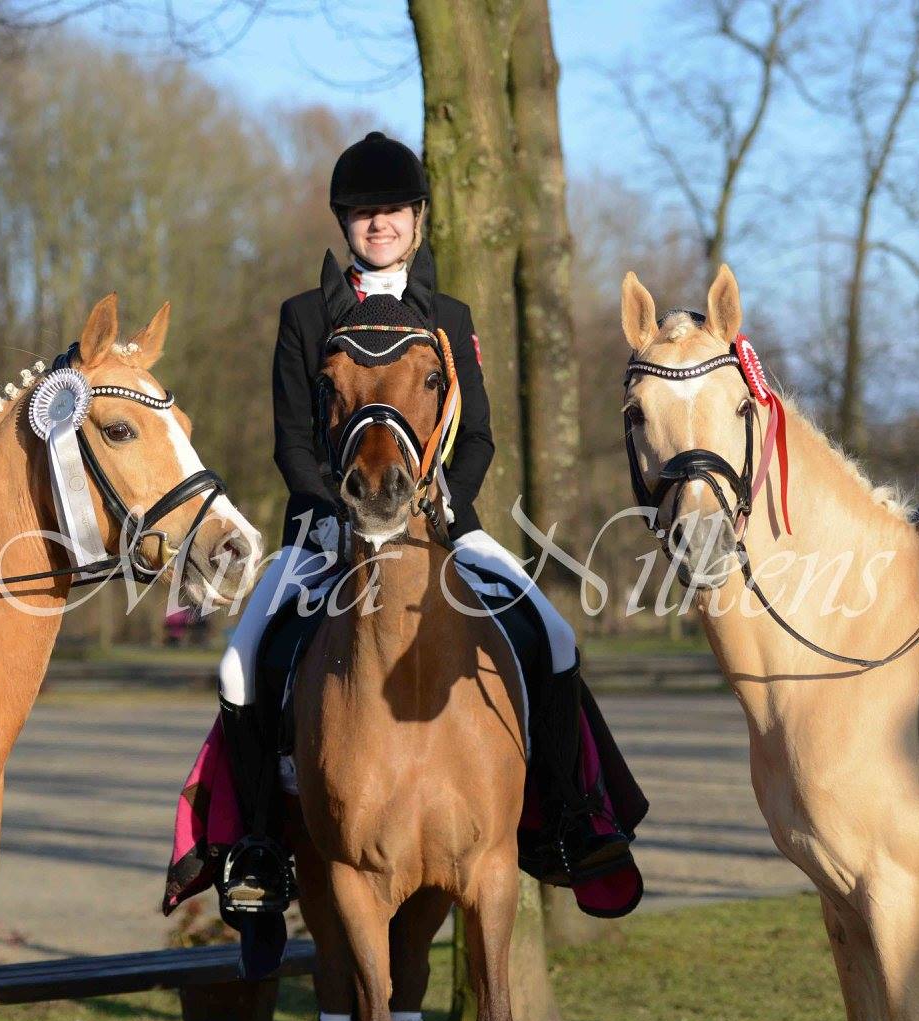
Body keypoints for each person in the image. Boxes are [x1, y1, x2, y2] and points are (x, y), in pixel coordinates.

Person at [214, 131, 633, 913]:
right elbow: (291, 440)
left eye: (393, 211)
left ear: (417, 217)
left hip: (441, 523)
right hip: (324, 527)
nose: (379, 225)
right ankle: (259, 846)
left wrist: (444, 503)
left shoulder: (448, 313)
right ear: (344, 222)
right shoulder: (303, 315)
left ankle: (568, 818)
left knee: (555, 635)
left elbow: (476, 437)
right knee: (241, 664)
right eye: (364, 214)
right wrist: (333, 513)